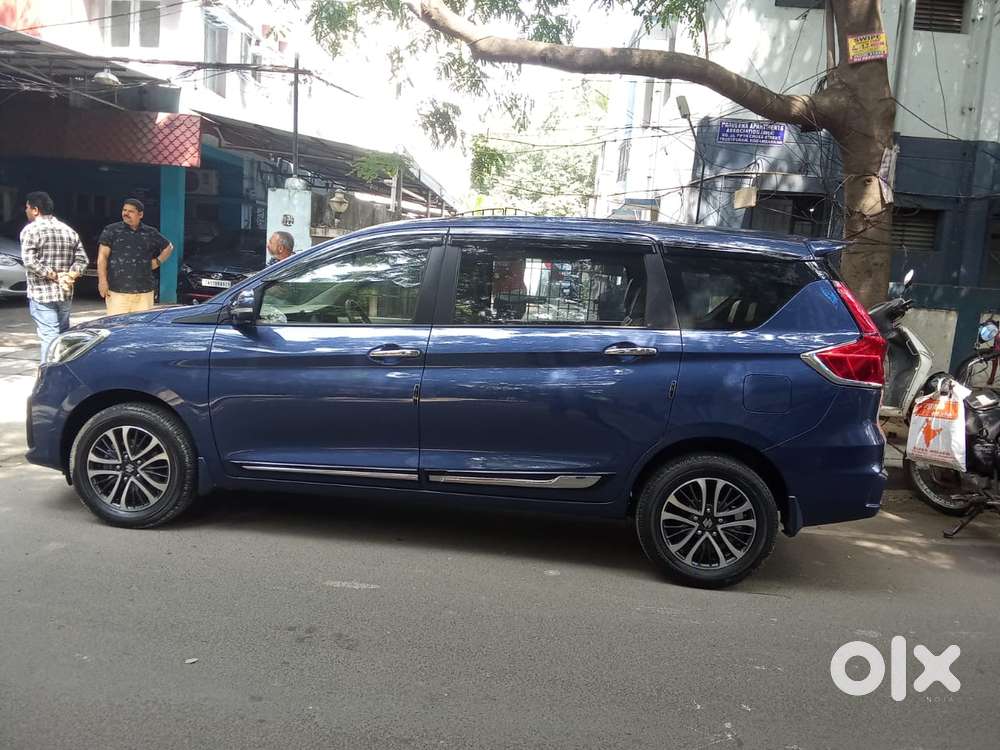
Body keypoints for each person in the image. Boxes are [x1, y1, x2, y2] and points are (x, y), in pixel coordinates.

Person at [19, 191, 89, 362]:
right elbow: (83, 260)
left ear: (35, 210)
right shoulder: (68, 231)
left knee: (49, 336)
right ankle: (65, 373)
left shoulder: (31, 230)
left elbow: (29, 261)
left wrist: (53, 275)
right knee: (63, 336)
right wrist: (69, 276)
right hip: (65, 293)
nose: (26, 211)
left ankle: (48, 376)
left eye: (27, 207)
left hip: (41, 294)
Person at [97, 198, 173, 315]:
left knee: (140, 329)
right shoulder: (112, 230)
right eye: (124, 210)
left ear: (140, 214)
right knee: (117, 327)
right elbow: (102, 257)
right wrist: (102, 281)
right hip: (117, 291)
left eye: (130, 211)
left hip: (144, 291)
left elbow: (168, 247)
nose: (125, 213)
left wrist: (157, 261)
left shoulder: (150, 232)